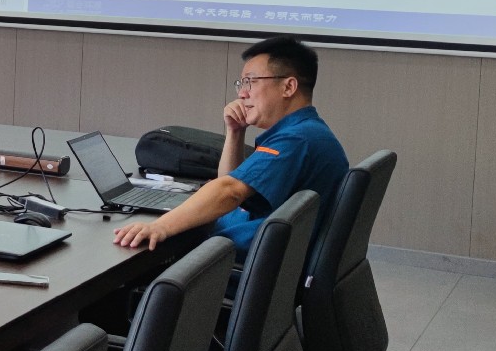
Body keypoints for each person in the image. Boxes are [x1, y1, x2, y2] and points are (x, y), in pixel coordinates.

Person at [112, 36, 347, 253]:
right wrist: (235, 132)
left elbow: (230, 192)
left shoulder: (296, 139)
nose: (242, 93)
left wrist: (160, 226)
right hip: (243, 249)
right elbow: (231, 183)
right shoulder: (306, 130)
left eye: (251, 82)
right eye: (241, 83)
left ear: (288, 87)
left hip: (236, 261)